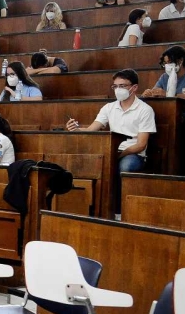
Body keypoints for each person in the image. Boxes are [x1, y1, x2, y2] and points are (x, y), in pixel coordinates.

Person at [66, 69, 156, 220]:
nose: (118, 90)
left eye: (122, 86)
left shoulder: (145, 110)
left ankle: (120, 214)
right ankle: (94, 211)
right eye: (115, 86)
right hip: (110, 151)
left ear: (134, 88)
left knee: (125, 167)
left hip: (132, 153)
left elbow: (141, 144)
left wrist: (118, 154)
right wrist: (75, 128)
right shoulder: (109, 107)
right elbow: (91, 130)